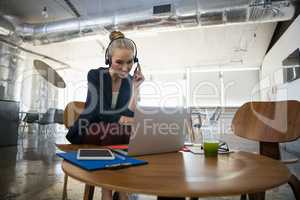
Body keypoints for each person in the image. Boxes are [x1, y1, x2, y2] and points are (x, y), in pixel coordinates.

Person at [66, 30, 144, 200]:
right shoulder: (95, 75)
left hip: (112, 131)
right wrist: (127, 120)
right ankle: (110, 189)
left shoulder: (129, 81)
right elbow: (99, 110)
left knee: (124, 132)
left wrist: (135, 88)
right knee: (115, 132)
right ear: (109, 60)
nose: (125, 68)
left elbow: (128, 112)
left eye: (130, 62)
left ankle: (118, 187)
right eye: (119, 62)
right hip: (89, 128)